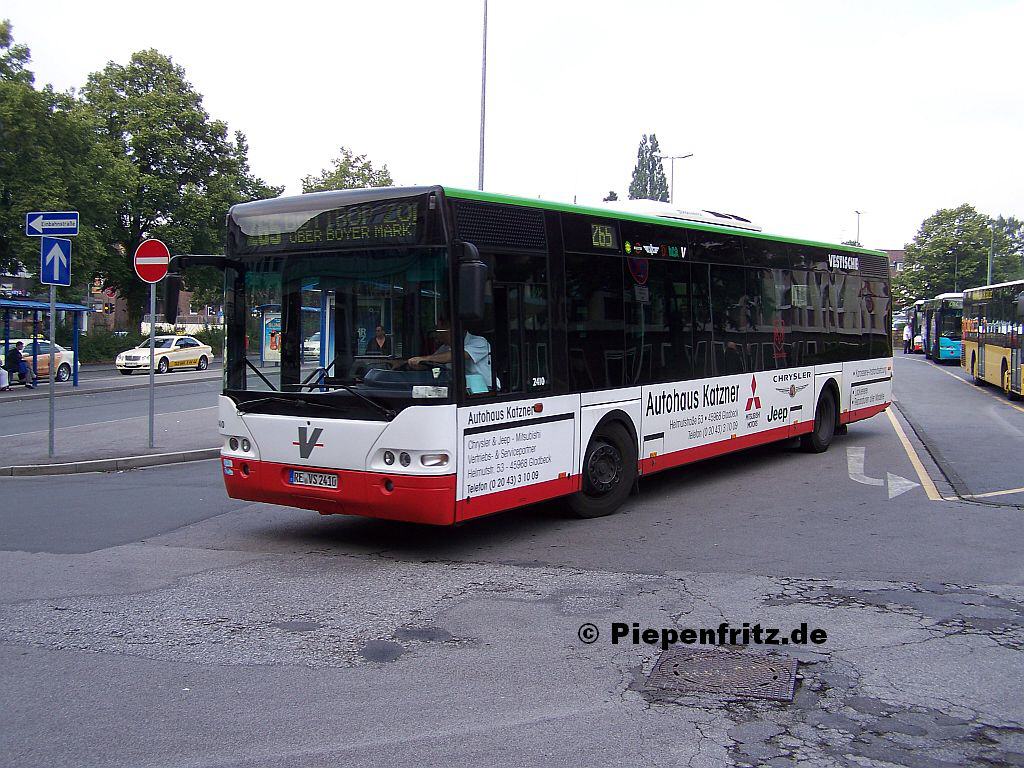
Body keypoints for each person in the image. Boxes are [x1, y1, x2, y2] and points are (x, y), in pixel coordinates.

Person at [408, 321, 493, 390]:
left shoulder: (480, 342)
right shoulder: (445, 347)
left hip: (483, 389)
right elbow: (433, 362)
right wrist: (414, 363)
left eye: (440, 331)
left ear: (453, 330)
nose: (437, 336)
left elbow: (455, 356)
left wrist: (424, 358)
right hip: (459, 388)